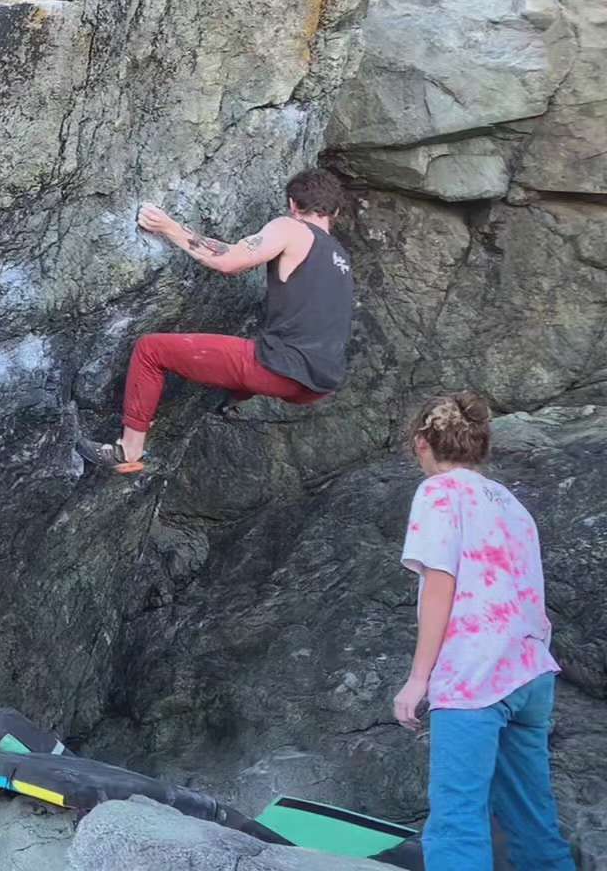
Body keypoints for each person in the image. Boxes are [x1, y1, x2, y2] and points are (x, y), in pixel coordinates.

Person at [394, 392, 573, 871]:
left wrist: (418, 679)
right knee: (533, 823)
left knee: (457, 825)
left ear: (421, 443)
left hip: (475, 674)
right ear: (480, 446)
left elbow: (440, 582)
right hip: (531, 673)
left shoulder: (439, 492)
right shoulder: (510, 502)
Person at [75, 167, 354, 475]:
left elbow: (229, 261)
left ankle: (128, 450)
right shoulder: (341, 258)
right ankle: (232, 400)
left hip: (281, 369)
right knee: (257, 348)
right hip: (320, 384)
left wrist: (169, 227)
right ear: (336, 211)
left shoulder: (291, 228)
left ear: (292, 204)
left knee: (150, 350)